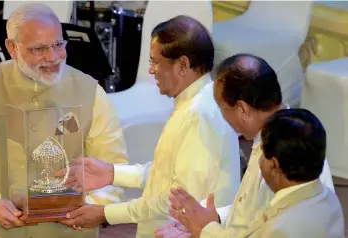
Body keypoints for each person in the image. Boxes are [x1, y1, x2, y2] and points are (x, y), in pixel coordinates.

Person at [0, 3, 128, 238]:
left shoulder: (90, 92)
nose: (52, 57)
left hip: (67, 231)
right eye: (38, 49)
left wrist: (89, 207)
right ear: (11, 47)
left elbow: (114, 167)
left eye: (59, 44)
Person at [62, 15, 241, 237]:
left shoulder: (199, 113)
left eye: (156, 62)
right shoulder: (194, 103)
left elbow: (176, 199)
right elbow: (166, 175)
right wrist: (112, 173)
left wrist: (106, 213)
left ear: (183, 64)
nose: (151, 70)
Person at [155, 53, 335, 238]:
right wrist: (214, 217)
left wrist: (204, 229)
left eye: (222, 108)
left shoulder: (284, 158)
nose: (222, 117)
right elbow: (257, 210)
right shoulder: (277, 136)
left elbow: (269, 228)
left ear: (242, 109)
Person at [168, 109, 345, 237]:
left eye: (261, 153)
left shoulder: (283, 228)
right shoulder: (326, 197)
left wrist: (203, 231)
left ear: (274, 166)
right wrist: (211, 224)